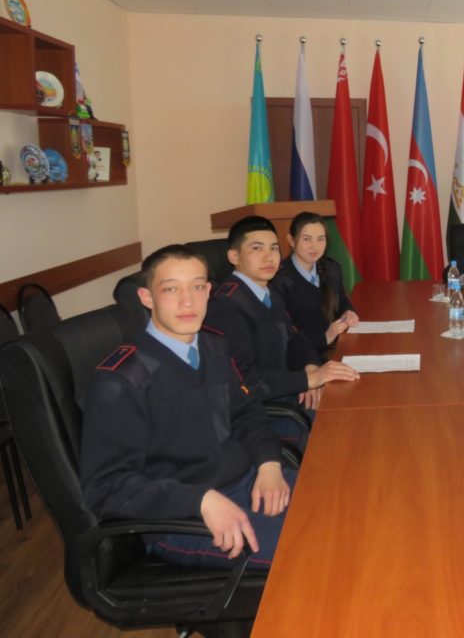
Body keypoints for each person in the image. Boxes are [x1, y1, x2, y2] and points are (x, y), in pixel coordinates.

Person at [79, 245, 293, 569]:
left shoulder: (213, 346)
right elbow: (107, 489)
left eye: (196, 287)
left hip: (246, 481)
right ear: (147, 298)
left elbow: (247, 412)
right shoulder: (120, 380)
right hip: (183, 518)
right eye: (170, 289)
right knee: (311, 547)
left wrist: (269, 464)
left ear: (208, 291)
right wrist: (200, 500)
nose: (187, 301)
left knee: (339, 504)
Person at [205, 216, 359, 420]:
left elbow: (294, 340)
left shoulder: (268, 294)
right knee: (347, 419)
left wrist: (310, 367)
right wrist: (306, 380)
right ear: (234, 256)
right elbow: (246, 382)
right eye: (257, 249)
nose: (269, 257)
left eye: (274, 248)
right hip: (260, 415)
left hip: (286, 391)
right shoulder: (226, 305)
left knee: (358, 395)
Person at [271, 211, 359, 356]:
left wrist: (349, 312)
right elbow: (281, 338)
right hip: (299, 359)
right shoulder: (277, 280)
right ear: (291, 240)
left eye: (320, 239)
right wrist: (324, 338)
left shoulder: (332, 268)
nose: (315, 246)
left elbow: (342, 301)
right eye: (307, 239)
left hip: (333, 350)